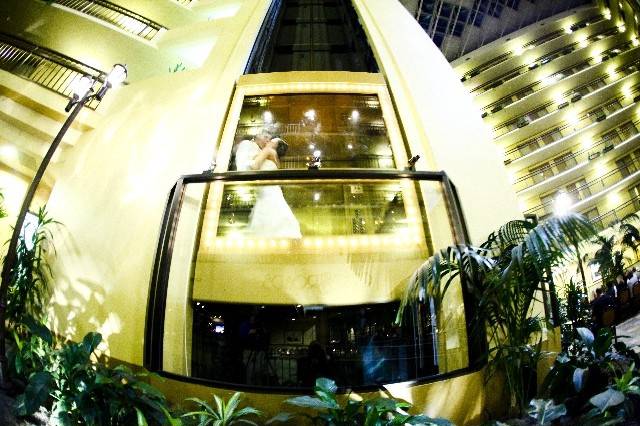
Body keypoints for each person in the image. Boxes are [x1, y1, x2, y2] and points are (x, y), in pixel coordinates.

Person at [234, 131, 301, 238]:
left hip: (266, 191)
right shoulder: (276, 159)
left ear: (274, 145)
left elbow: (255, 166)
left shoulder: (268, 151)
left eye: (270, 141)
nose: (267, 141)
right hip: (273, 190)